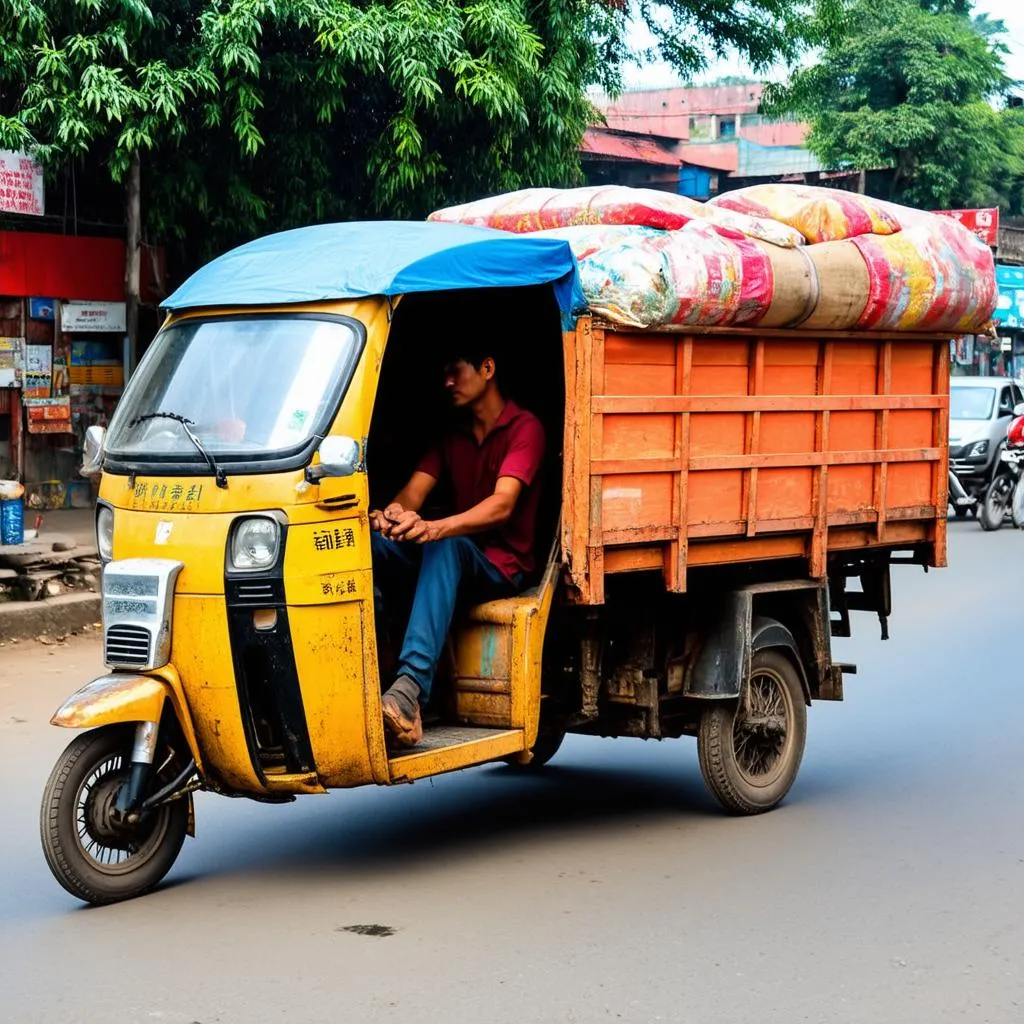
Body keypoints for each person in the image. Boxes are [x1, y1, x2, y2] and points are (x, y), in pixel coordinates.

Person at [370, 344, 545, 747]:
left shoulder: (526, 429)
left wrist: (435, 528)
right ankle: (371, 675)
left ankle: (409, 691)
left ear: (488, 367)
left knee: (445, 546)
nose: (447, 382)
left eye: (456, 371)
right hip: (449, 556)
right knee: (375, 546)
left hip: (501, 565)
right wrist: (392, 516)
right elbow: (413, 493)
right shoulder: (452, 433)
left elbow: (502, 505)